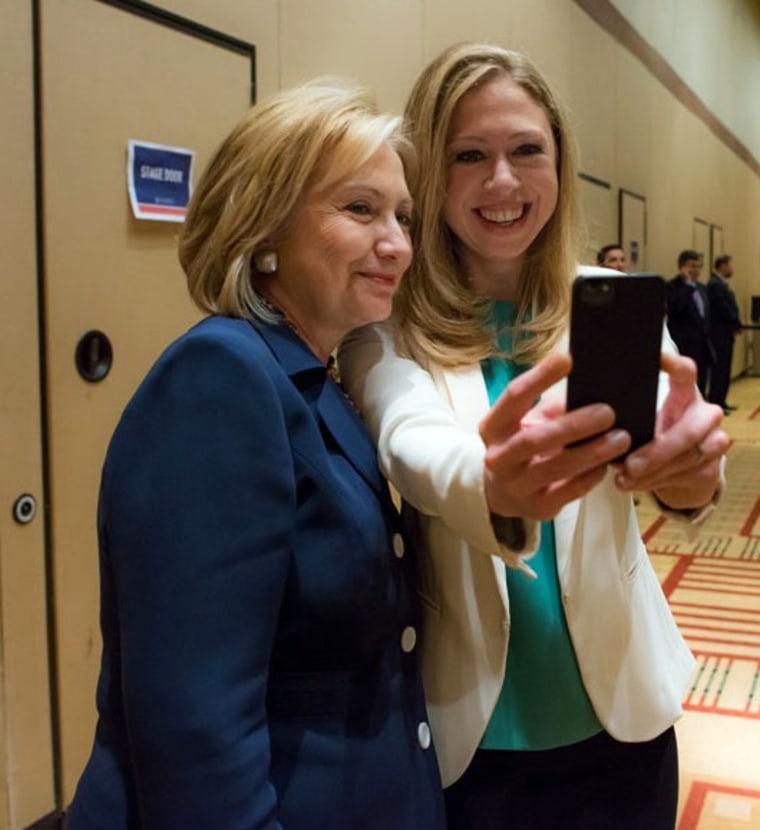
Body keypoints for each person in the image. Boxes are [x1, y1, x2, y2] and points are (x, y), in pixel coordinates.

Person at [339, 43, 729, 830]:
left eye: (527, 150)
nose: (504, 182)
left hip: (625, 719)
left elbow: (674, 457)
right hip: (473, 737)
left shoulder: (615, 303)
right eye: (468, 156)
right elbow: (409, 436)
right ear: (429, 175)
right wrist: (490, 486)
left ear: (559, 159)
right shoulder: (386, 328)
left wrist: (690, 474)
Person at [64, 79, 446, 830]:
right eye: (360, 209)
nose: (398, 242)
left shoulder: (315, 378)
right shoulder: (221, 379)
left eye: (403, 215)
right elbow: (196, 729)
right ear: (264, 223)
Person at [666, 249, 714, 395]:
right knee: (684, 387)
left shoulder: (702, 288)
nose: (695, 270)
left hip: (702, 347)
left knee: (701, 385)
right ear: (682, 267)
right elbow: (675, 309)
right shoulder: (672, 287)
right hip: (683, 346)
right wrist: (687, 285)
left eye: (698, 266)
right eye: (691, 266)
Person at [707, 254, 742, 413]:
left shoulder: (721, 284)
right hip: (719, 334)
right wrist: (735, 321)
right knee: (719, 370)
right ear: (721, 266)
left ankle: (721, 401)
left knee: (725, 369)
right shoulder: (715, 285)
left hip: (726, 334)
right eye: (728, 265)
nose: (730, 269)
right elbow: (723, 309)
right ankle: (716, 402)